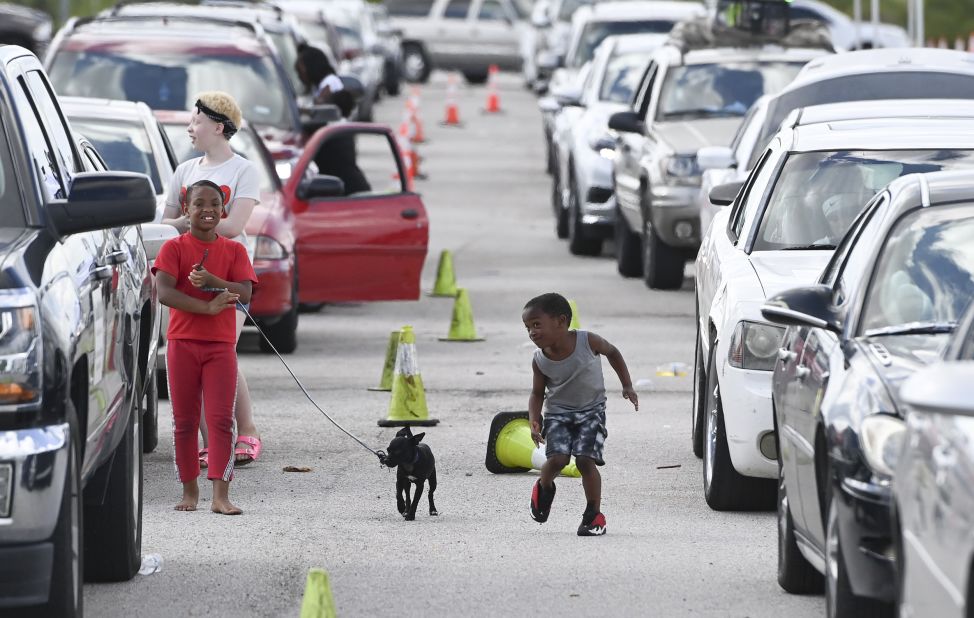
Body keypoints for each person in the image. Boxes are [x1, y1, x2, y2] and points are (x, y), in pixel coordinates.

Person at [161, 91, 263, 467]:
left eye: (196, 122)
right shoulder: (183, 172)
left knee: (222, 353)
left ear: (218, 127)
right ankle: (210, 441)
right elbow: (165, 224)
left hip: (230, 278)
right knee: (199, 356)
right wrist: (189, 223)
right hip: (187, 278)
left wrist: (191, 221)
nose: (190, 128)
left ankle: (247, 432)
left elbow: (235, 227)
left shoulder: (244, 170)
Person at [152, 179, 258, 515]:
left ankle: (220, 495)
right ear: (186, 209)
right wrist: (208, 307)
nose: (207, 210)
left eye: (214, 203)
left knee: (220, 420)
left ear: (223, 209)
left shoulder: (235, 250)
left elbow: (245, 292)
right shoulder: (174, 248)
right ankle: (190, 491)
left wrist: (212, 282)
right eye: (199, 204)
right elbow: (165, 291)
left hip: (220, 347)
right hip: (182, 344)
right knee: (184, 421)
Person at [522, 293, 638, 536]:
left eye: (536, 324)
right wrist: (535, 419)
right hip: (558, 415)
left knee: (586, 460)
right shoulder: (539, 360)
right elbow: (536, 393)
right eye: (527, 328)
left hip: (592, 412)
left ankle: (593, 514)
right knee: (558, 460)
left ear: (561, 321)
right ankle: (544, 488)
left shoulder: (588, 341)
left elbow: (613, 352)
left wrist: (627, 385)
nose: (532, 332)